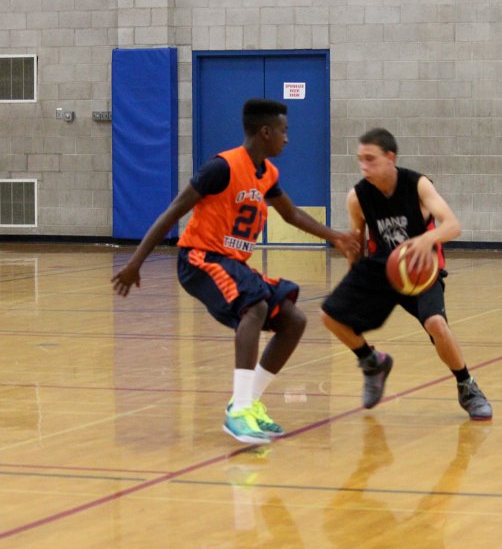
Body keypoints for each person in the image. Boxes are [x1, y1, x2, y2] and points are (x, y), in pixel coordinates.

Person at [112, 98, 360, 444]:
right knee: (255, 306)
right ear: (265, 132)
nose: (287, 138)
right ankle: (239, 412)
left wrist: (336, 237)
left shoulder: (267, 174)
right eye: (284, 131)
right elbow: (173, 212)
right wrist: (135, 262)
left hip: (232, 263)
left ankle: (248, 402)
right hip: (200, 259)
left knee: (293, 320)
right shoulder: (222, 167)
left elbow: (291, 214)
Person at [320, 128, 492, 420]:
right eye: (360, 159)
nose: (364, 166)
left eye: (370, 159)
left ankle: (467, 385)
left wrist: (426, 239)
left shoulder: (417, 184)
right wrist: (352, 280)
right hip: (382, 267)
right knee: (330, 316)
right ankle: (371, 362)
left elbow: (453, 226)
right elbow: (357, 244)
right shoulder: (357, 197)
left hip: (420, 268)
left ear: (390, 158)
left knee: (436, 323)